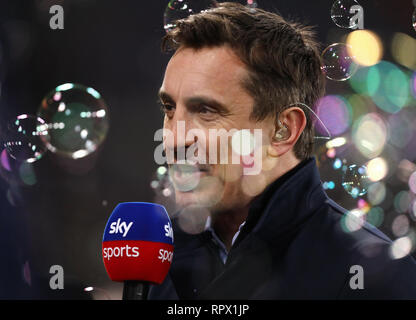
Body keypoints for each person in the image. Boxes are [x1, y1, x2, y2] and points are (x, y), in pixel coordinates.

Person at [149, 2, 416, 299]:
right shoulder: (156, 256)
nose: (173, 140)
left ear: (284, 130)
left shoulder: (379, 279)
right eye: (169, 108)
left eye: (207, 111)